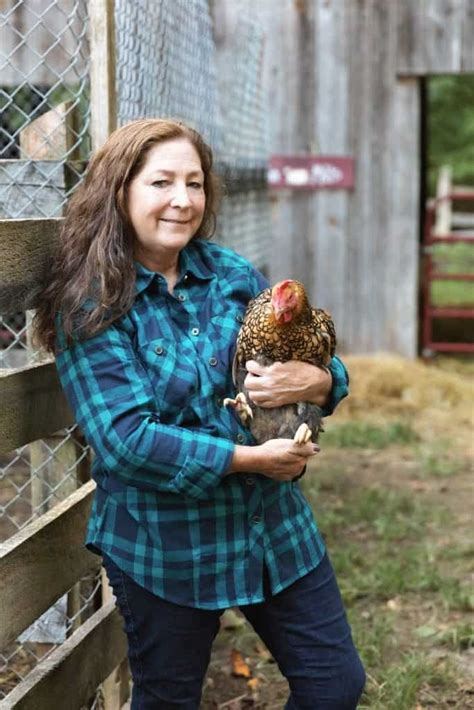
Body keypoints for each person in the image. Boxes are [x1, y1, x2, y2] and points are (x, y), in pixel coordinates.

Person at [35, 118, 365, 709]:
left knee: (334, 685)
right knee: (169, 700)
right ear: (120, 192)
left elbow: (313, 358)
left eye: (195, 183)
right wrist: (253, 459)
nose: (183, 200)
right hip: (167, 545)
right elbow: (125, 441)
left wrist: (320, 381)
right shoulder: (91, 302)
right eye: (162, 182)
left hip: (273, 528)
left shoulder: (233, 275)